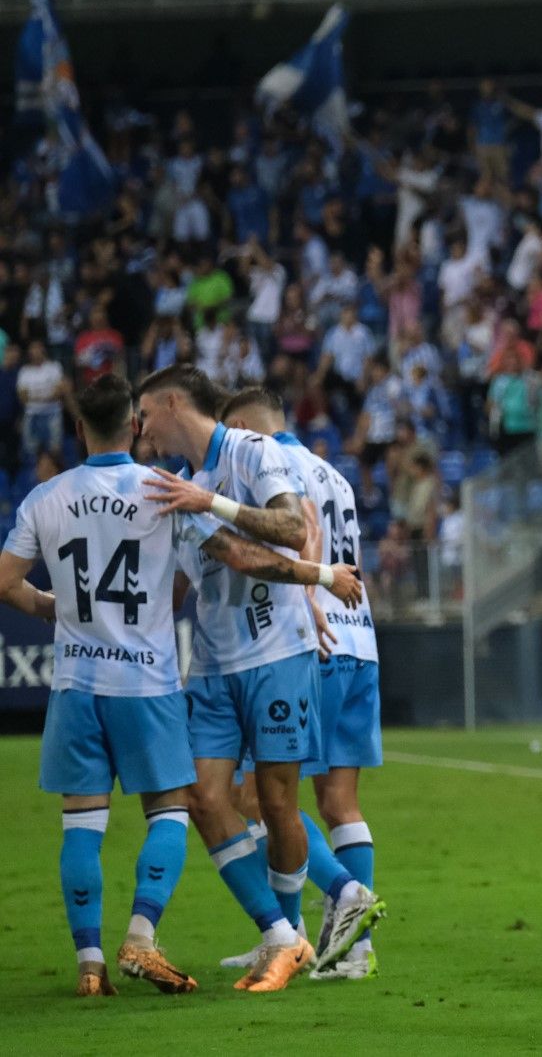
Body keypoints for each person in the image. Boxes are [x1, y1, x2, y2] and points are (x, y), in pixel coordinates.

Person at [3, 373, 361, 995]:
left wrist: (59, 611)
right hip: (148, 683)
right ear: (130, 425)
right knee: (176, 808)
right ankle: (149, 937)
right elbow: (237, 555)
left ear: (79, 428)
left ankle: (91, 965)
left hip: (78, 680)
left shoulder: (45, 496)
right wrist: (323, 576)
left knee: (83, 825)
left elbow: (7, 582)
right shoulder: (163, 492)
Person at [136, 364, 381, 989]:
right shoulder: (183, 484)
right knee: (203, 797)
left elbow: (295, 528)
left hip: (277, 654)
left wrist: (314, 586)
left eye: (146, 414)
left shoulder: (252, 451)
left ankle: (307, 923)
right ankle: (287, 930)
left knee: (275, 803)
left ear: (172, 403)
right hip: (214, 664)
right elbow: (213, 562)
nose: (141, 429)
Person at [221, 388, 385, 981]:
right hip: (359, 643)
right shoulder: (332, 472)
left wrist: (310, 598)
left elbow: (304, 528)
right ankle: (350, 953)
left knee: (256, 796)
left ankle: (314, 918)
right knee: (339, 802)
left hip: (310, 642)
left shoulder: (273, 465)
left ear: (245, 427)